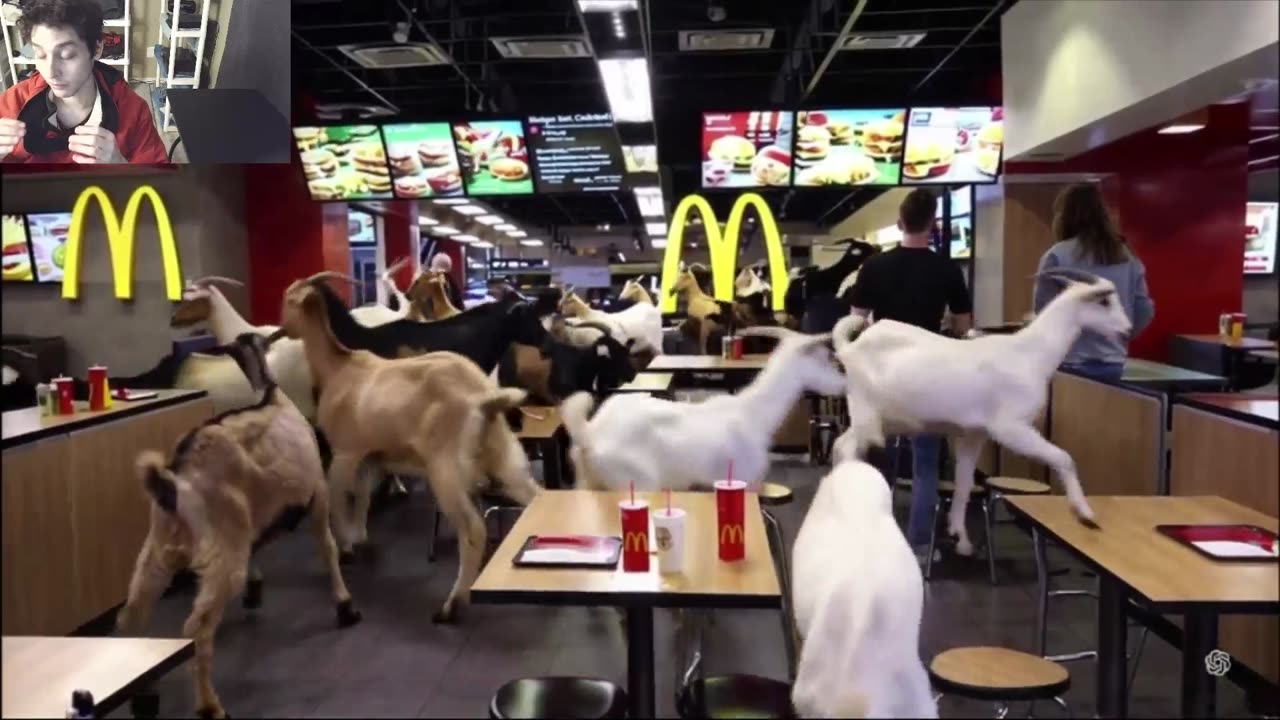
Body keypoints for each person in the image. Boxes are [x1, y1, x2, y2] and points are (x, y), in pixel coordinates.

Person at [846, 188, 973, 564]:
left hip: (883, 375)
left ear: (900, 223)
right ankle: (919, 546)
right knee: (926, 461)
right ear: (933, 225)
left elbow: (856, 316)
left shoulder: (874, 267)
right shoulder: (946, 268)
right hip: (927, 377)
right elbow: (964, 327)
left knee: (877, 457)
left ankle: (875, 537)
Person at [0, 0, 167, 163]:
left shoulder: (132, 111)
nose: (51, 72)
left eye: (67, 55)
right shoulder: (13, 103)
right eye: (40, 54)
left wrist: (120, 165)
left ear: (96, 49)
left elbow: (158, 184)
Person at [1033, 183, 1155, 383]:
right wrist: (1119, 334)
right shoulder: (1127, 256)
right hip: (1113, 363)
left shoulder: (1057, 255)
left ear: (1064, 216)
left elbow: (1043, 312)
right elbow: (1144, 310)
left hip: (1068, 362)